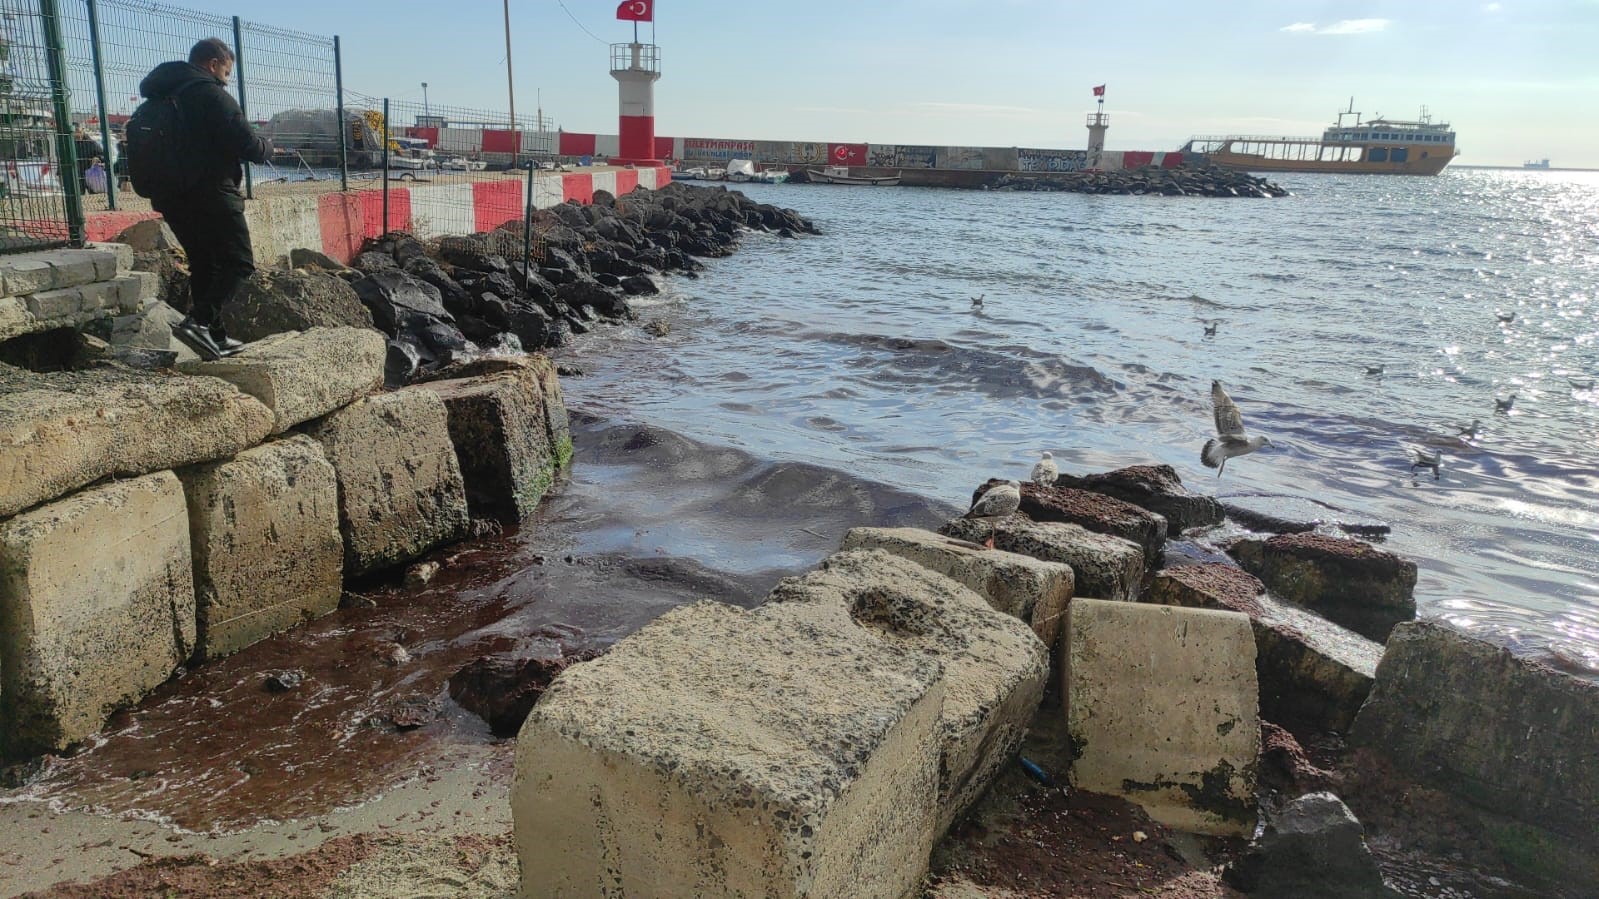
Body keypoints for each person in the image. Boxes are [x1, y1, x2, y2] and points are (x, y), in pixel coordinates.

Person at [137, 37, 272, 359]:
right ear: (213, 64)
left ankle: (215, 337)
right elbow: (249, 146)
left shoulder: (155, 100)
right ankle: (198, 323)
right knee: (238, 264)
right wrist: (269, 146)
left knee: (205, 263)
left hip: (170, 196)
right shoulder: (210, 94)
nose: (226, 79)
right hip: (212, 192)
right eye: (226, 72)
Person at [72, 125, 103, 193]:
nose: (77, 134)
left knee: (94, 196)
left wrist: (97, 158)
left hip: (91, 173)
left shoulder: (91, 143)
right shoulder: (70, 144)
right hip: (76, 175)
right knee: (78, 196)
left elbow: (102, 154)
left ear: (83, 131)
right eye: (75, 132)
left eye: (79, 132)